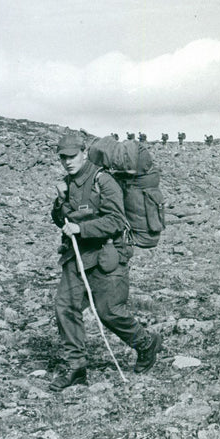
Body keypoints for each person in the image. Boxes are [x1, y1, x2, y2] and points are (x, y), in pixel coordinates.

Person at [49, 134, 162, 391]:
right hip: (76, 256)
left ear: (83, 152)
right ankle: (76, 368)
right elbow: (61, 220)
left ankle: (146, 344)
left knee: (109, 312)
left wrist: (81, 228)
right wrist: (60, 203)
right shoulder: (67, 182)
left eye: (72, 156)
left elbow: (116, 221)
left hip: (107, 254)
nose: (67, 162)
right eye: (63, 157)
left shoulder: (104, 180)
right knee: (65, 307)